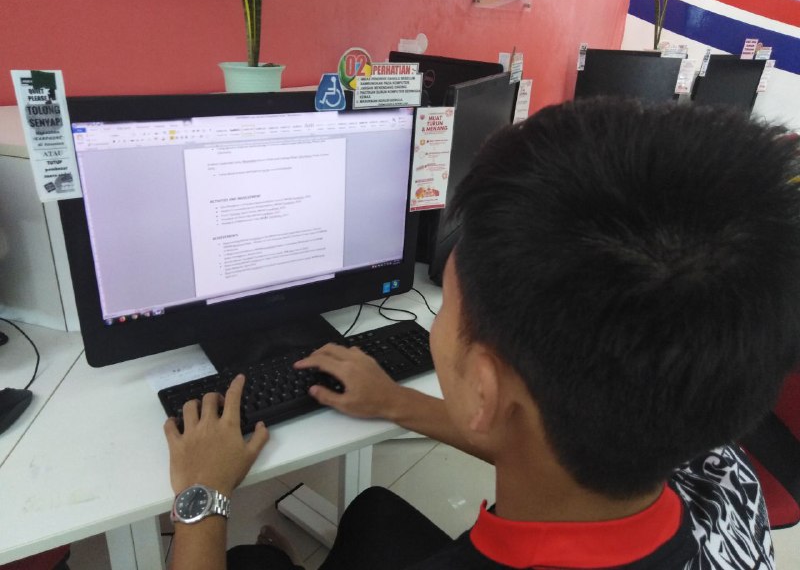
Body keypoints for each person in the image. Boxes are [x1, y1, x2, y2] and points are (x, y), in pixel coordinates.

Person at [164, 98, 800, 570]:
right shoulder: (721, 472)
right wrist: (395, 401)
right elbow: (550, 443)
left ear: (485, 389)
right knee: (373, 513)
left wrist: (202, 495)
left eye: (446, 308)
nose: (438, 323)